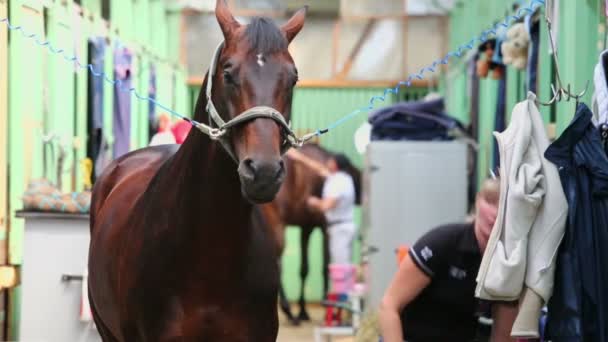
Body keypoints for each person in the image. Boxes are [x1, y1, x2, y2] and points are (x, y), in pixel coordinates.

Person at [378, 178, 518, 342]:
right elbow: (388, 306)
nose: (495, 213)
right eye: (490, 201)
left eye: (504, 207)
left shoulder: (510, 261)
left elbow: (503, 336)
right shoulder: (443, 243)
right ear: (478, 201)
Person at [286, 149, 357, 264]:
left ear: (335, 165)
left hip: (340, 229)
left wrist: (313, 202)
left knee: (341, 266)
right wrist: (298, 156)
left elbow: (326, 206)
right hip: (340, 227)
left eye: (331, 160)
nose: (328, 162)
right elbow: (318, 168)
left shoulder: (338, 182)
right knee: (341, 264)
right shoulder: (339, 178)